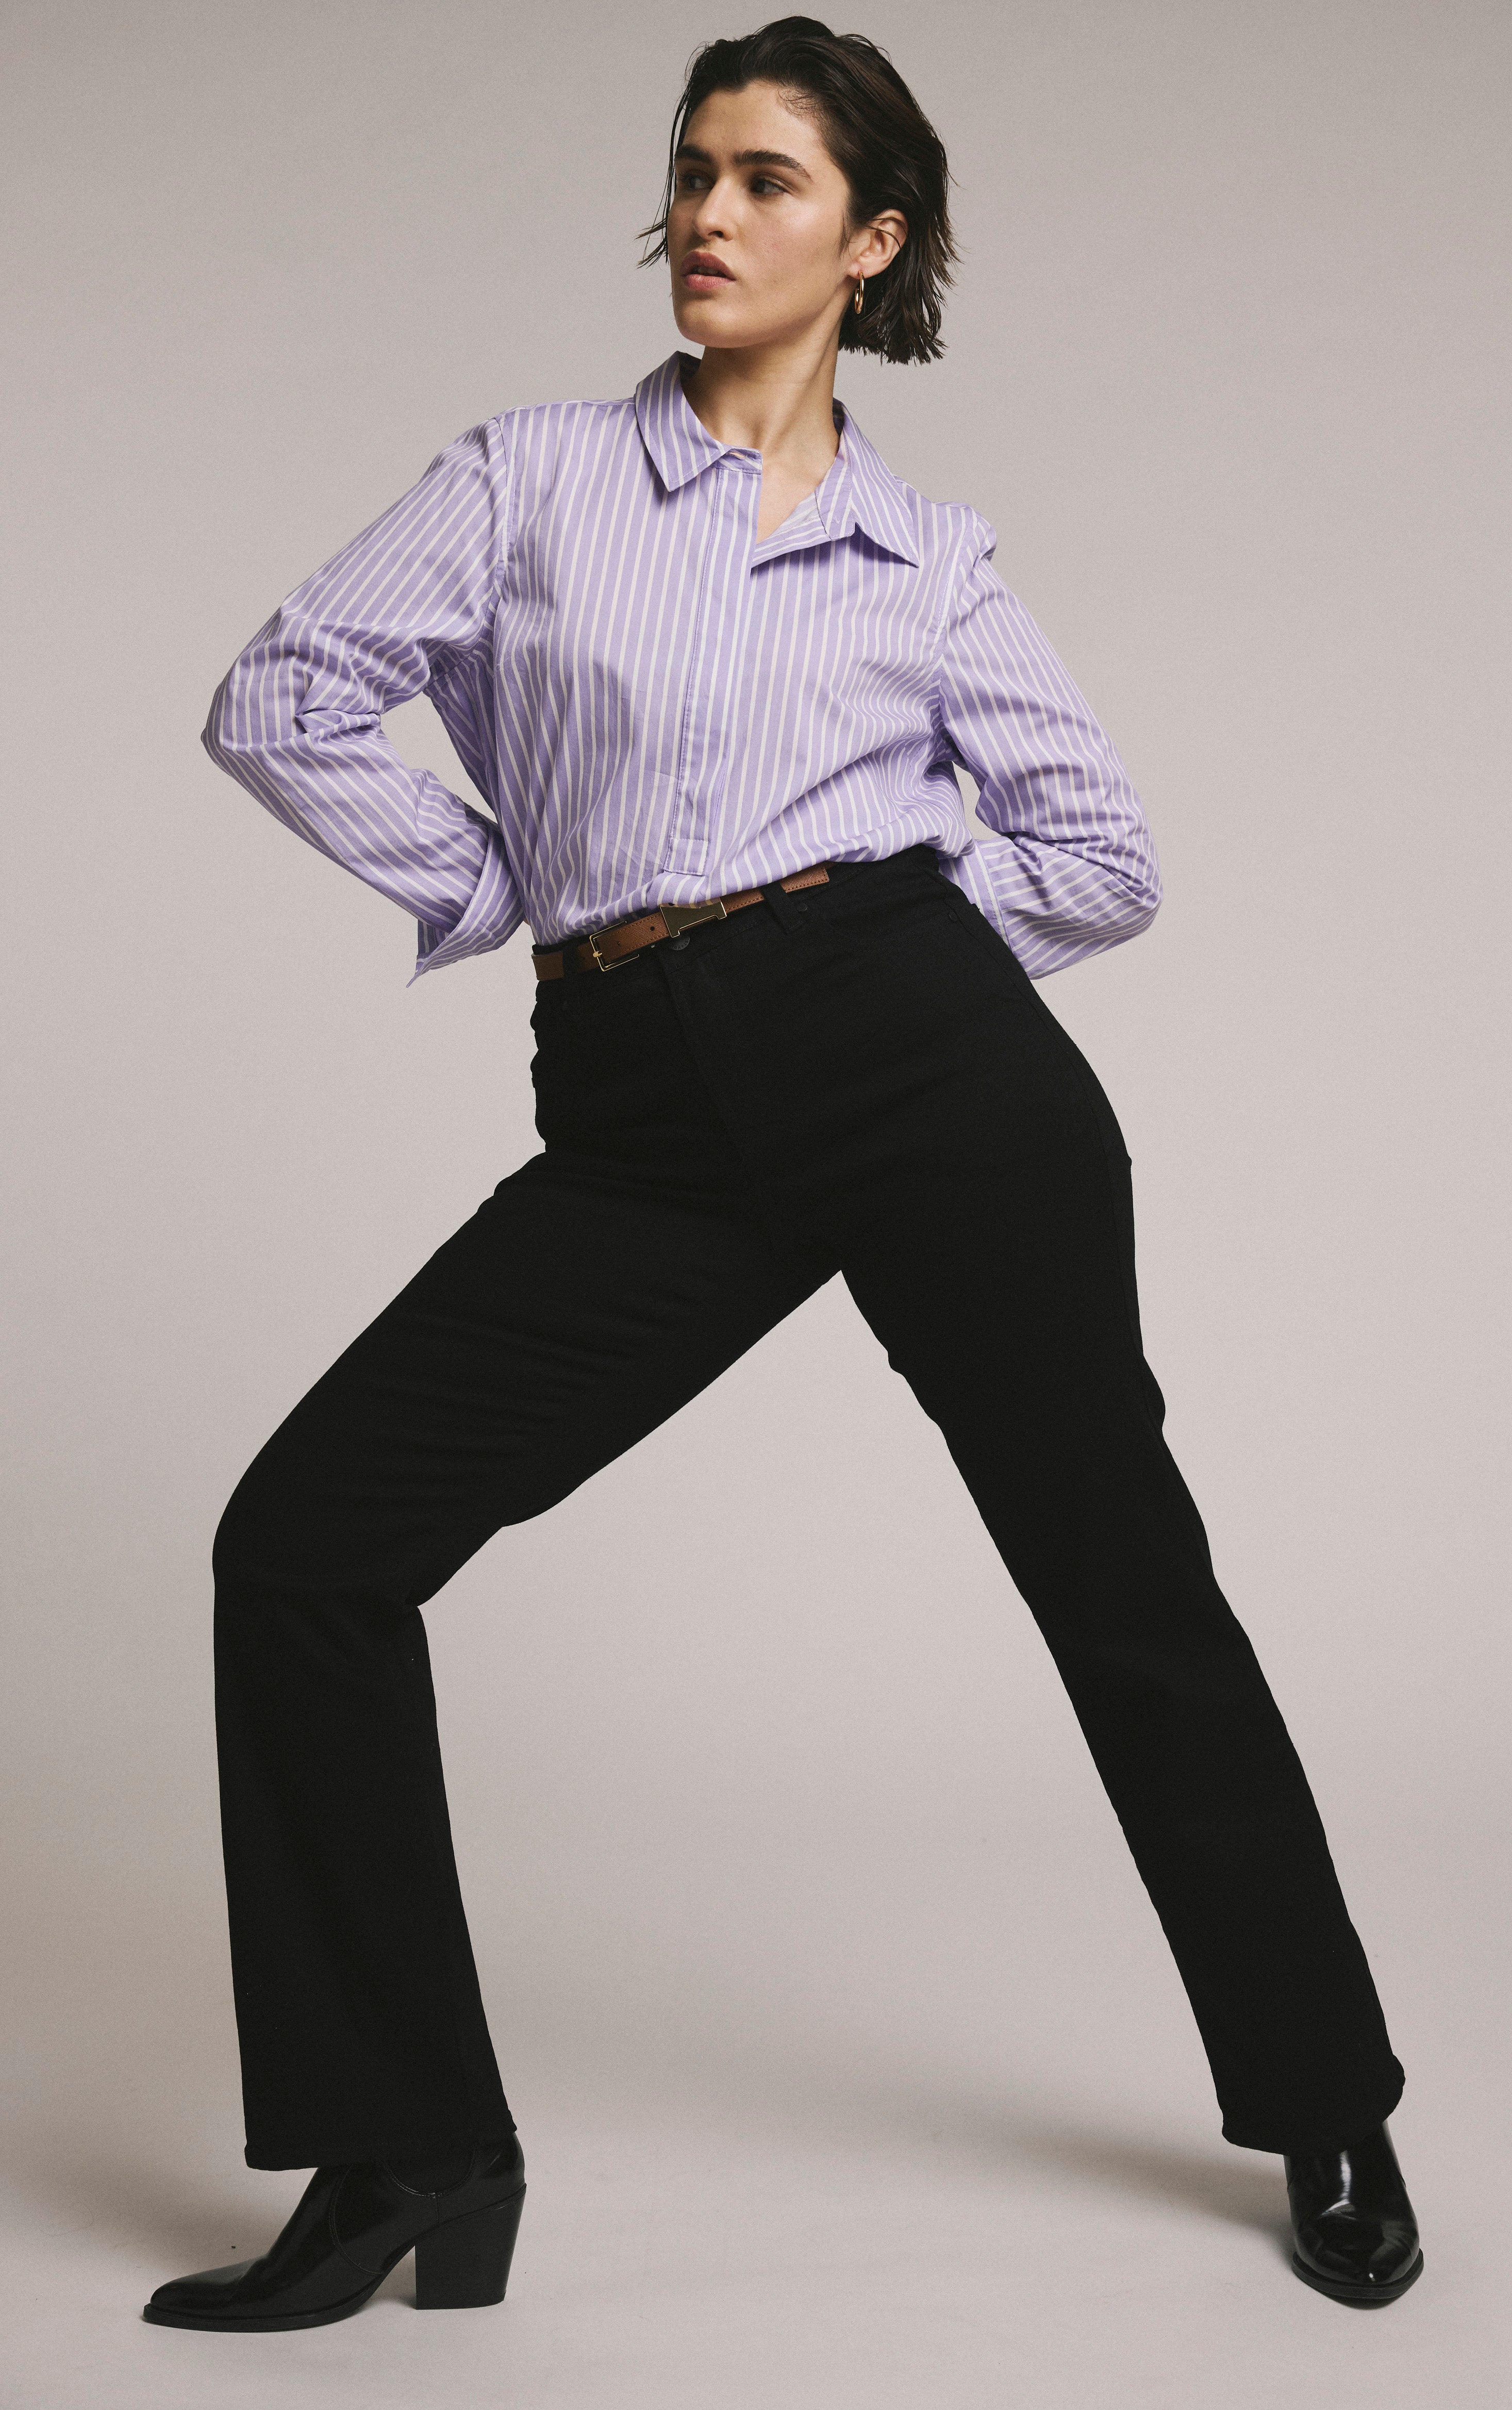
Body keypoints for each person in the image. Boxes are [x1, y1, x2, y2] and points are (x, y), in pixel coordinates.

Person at [143, 16, 1423, 2334]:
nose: (708, 215)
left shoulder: (926, 557)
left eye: (764, 179)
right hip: (647, 1107)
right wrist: (499, 879)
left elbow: (1099, 853)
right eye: (691, 170)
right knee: (309, 1543)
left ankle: (1326, 2096)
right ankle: (410, 2139)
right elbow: (285, 692)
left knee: (1120, 1580)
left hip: (927, 1078)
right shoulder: (533, 477)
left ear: (871, 241)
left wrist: (889, 966)